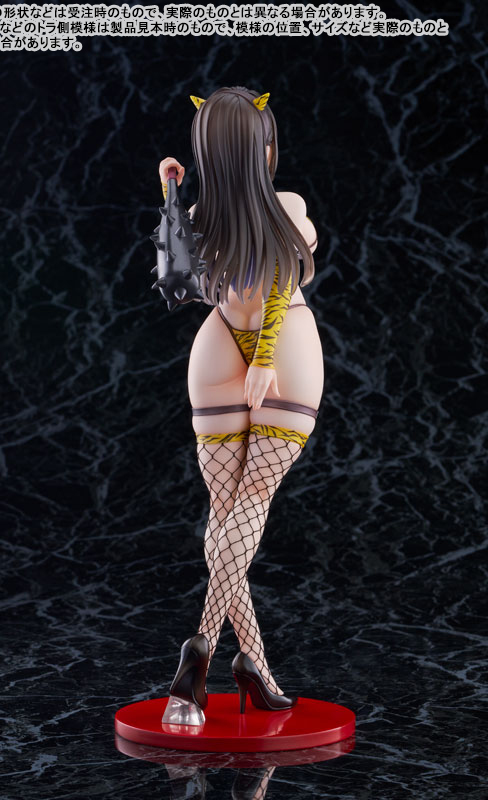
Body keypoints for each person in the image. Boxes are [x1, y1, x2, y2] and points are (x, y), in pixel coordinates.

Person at [158, 86, 324, 723]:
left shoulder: (207, 216)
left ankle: (243, 663)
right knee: (244, 506)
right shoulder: (286, 206)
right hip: (273, 347)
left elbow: (179, 282)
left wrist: (174, 198)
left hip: (227, 345)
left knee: (228, 518)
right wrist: (265, 357)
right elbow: (273, 282)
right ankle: (202, 650)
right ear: (264, 148)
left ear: (208, 152)